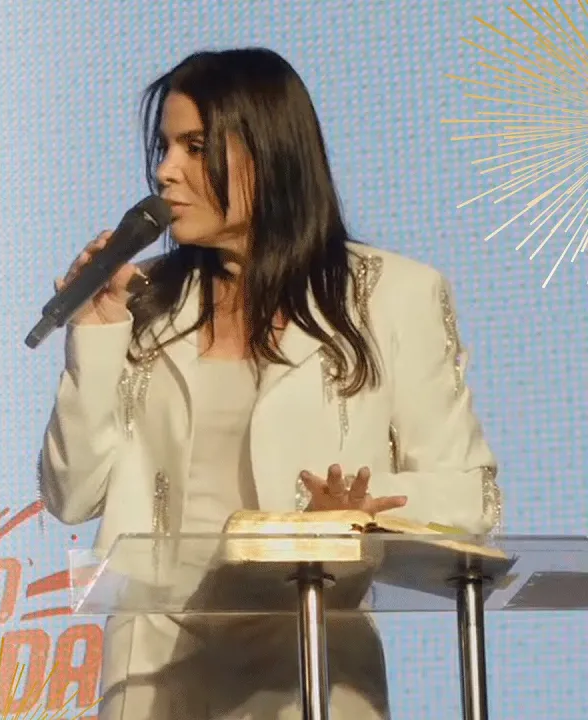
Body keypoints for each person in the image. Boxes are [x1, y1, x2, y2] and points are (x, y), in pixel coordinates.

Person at [37, 47, 502, 720]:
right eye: (165, 147)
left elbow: (471, 495)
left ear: (269, 154)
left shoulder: (392, 296)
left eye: (196, 147)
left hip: (310, 658)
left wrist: (357, 510)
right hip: (154, 674)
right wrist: (98, 333)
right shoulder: (142, 302)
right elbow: (72, 494)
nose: (166, 171)